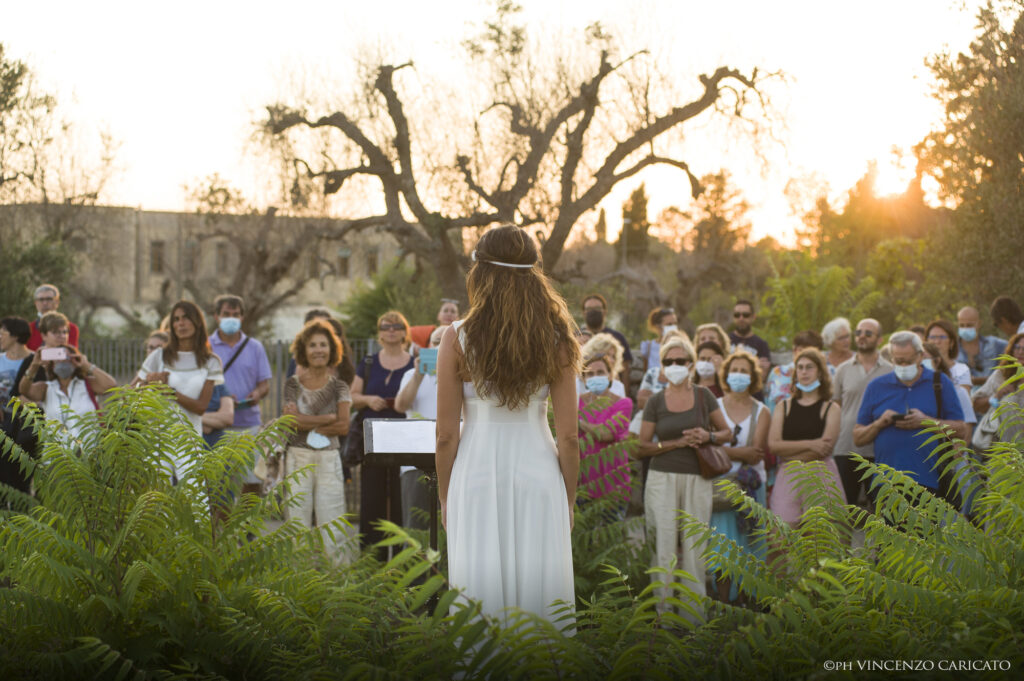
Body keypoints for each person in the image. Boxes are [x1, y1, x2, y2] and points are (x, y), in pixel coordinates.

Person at [435, 225, 579, 625]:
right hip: (540, 477)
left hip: (476, 476)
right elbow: (568, 436)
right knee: (541, 599)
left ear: (480, 272)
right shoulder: (557, 338)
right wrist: (568, 499)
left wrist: (446, 497)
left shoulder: (456, 338)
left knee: (478, 599)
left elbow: (446, 435)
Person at [636, 336, 731, 620]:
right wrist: (674, 443)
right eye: (669, 362)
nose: (675, 365)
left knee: (695, 547)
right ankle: (663, 619)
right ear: (662, 367)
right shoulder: (655, 401)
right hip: (661, 477)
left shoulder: (705, 396)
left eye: (681, 361)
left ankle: (693, 618)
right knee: (663, 547)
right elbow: (641, 446)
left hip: (697, 478)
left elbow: (727, 432)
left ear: (691, 363)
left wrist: (707, 435)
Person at [854, 331, 965, 508]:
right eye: (898, 361)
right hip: (886, 484)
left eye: (908, 360)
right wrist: (879, 423)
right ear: (891, 358)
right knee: (887, 535)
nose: (903, 365)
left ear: (920, 356)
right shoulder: (876, 386)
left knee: (925, 535)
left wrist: (926, 421)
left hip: (929, 482)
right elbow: (858, 437)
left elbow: (961, 428)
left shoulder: (939, 382)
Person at [281, 319, 354, 563]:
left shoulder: (340, 387)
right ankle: (300, 583)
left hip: (328, 458)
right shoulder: (292, 385)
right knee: (297, 523)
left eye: (323, 344)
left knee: (332, 522)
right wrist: (328, 418)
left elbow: (344, 426)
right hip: (297, 458)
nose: (318, 350)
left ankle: (338, 584)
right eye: (312, 345)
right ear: (304, 350)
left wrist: (306, 420)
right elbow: (290, 424)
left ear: (332, 350)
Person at [133, 301, 224, 480]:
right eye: (176, 319)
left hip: (189, 441)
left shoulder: (211, 361)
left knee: (196, 501)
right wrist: (148, 385)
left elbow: (200, 408)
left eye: (185, 318)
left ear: (196, 321)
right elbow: (130, 392)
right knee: (157, 501)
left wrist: (169, 391)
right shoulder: (159, 356)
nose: (180, 323)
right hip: (157, 438)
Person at [351, 310, 414, 556]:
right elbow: (353, 397)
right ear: (379, 333)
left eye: (397, 326)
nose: (391, 330)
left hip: (405, 440)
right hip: (374, 440)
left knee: (401, 499)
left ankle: (401, 559)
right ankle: (371, 559)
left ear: (404, 332)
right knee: (372, 499)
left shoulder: (414, 362)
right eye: (386, 326)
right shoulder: (368, 363)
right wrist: (368, 399)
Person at [767, 348, 845, 526]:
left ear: (820, 372)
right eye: (800, 367)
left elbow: (824, 449)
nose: (804, 371)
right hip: (788, 476)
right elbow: (773, 446)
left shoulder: (831, 408)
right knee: (783, 533)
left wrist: (788, 454)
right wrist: (811, 444)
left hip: (821, 474)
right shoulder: (783, 407)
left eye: (809, 367)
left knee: (820, 535)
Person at [209, 295, 273, 494]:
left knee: (251, 481)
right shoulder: (206, 346)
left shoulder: (255, 347)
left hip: (248, 424)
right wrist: (223, 397)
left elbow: (265, 385)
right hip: (216, 424)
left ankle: (246, 524)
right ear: (216, 317)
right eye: (226, 314)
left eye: (235, 315)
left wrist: (257, 394)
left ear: (242, 317)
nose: (231, 318)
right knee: (219, 484)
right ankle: (221, 525)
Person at [831, 318, 892, 507]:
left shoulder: (890, 371)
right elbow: (836, 406)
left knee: (883, 513)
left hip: (879, 450)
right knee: (843, 511)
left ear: (880, 339)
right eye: (858, 333)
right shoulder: (842, 370)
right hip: (845, 447)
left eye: (868, 333)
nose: (862, 337)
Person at [394, 324, 447, 531]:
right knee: (416, 529)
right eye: (436, 342)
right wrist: (419, 374)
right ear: (428, 346)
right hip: (415, 462)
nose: (441, 347)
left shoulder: (466, 375)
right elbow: (400, 406)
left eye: (446, 341)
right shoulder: (411, 375)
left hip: (454, 459)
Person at [18, 344, 116, 444]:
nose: (62, 361)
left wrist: (86, 365)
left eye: (67, 357)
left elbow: (111, 385)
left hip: (90, 451)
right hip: (58, 455)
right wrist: (34, 365)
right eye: (58, 357)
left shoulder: (87, 384)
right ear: (52, 364)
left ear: (75, 360)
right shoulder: (46, 388)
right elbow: (24, 390)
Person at [577, 354, 634, 521]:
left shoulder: (623, 404)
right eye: (590, 374)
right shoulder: (576, 403)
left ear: (610, 375)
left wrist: (579, 423)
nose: (596, 377)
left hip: (614, 486)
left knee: (611, 539)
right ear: (584, 378)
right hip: (583, 485)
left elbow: (606, 434)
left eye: (601, 372)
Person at [1, 317, 37, 497]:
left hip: (23, 430)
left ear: (15, 336)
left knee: (20, 479)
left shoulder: (34, 361)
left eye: (2, 333)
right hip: (2, 426)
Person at [973, 333, 1024, 441]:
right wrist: (996, 396)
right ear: (1011, 350)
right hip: (1004, 450)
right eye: (1017, 348)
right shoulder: (1002, 375)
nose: (1020, 352)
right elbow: (976, 404)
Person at [764, 330, 824, 413]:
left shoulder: (821, 376)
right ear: (794, 350)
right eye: (801, 350)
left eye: (811, 353)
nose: (806, 356)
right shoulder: (777, 372)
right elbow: (767, 400)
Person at [581, 294, 633, 387]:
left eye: (597, 308)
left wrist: (624, 394)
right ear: (584, 313)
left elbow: (625, 370)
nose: (593, 312)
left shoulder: (618, 337)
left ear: (604, 312)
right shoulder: (577, 338)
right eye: (589, 309)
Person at [956, 306, 1005, 386]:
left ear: (979, 324)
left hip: (991, 395)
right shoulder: (951, 349)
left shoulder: (994, 344)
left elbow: (1015, 349)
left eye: (969, 325)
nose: (965, 329)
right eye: (962, 325)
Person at [26, 284, 80, 351]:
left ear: (57, 302)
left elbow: (72, 353)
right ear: (36, 303)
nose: (45, 303)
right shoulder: (28, 329)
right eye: (41, 299)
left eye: (49, 299)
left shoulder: (71, 328)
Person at [924, 319, 972, 392]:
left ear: (951, 343)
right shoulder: (920, 367)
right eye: (933, 337)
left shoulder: (961, 370)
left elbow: (962, 399)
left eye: (942, 337)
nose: (937, 342)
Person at [729, 300, 771, 376]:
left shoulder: (761, 345)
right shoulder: (724, 341)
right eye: (737, 315)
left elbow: (763, 375)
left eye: (746, 315)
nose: (741, 318)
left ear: (753, 317)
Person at [578, 333, 627, 398]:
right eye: (607, 355)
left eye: (613, 356)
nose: (612, 360)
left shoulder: (618, 386)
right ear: (593, 354)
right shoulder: (577, 384)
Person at [639, 307, 678, 373]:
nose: (673, 327)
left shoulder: (680, 345)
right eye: (669, 324)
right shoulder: (648, 347)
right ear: (658, 326)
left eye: (675, 323)